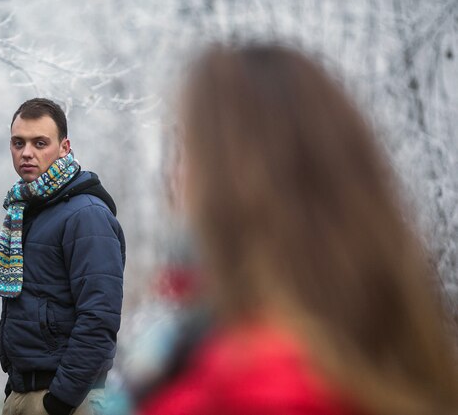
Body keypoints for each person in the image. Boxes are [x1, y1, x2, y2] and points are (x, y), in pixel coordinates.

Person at [137, 44, 458, 415]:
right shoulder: (380, 340)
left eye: (186, 150)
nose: (175, 178)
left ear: (236, 180)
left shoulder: (253, 388)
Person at [0, 98, 126, 415]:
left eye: (39, 143)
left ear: (64, 147)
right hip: (27, 390)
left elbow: (99, 317)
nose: (27, 153)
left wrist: (59, 401)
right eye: (18, 143)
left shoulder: (86, 215)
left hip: (66, 400)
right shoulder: (27, 208)